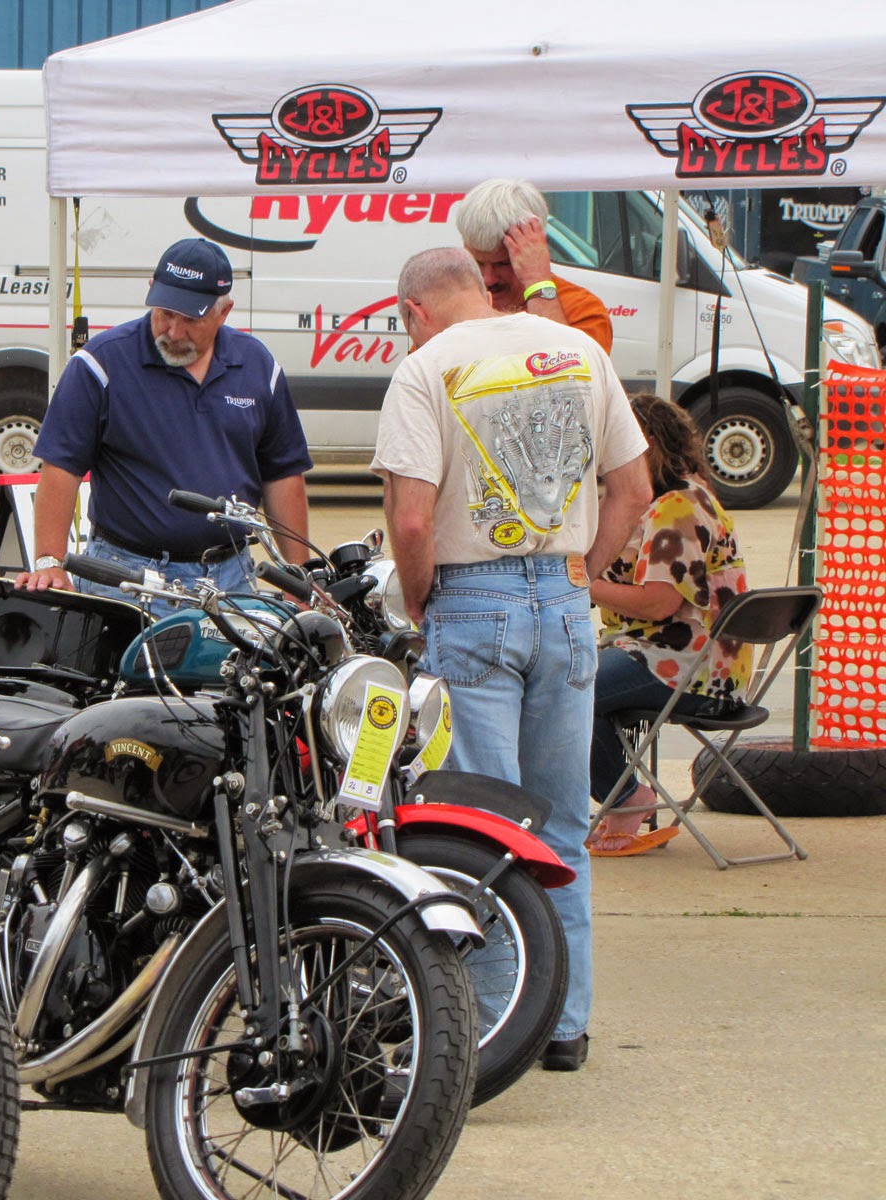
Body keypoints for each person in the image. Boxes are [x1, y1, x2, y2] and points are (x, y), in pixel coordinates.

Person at [371, 246, 652, 1073]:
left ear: (416, 310)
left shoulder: (425, 369)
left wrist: (422, 599)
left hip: (473, 597)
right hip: (565, 604)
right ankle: (565, 1026)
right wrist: (582, 573)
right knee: (563, 823)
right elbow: (633, 487)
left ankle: (495, 1027)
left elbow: (413, 523)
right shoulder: (578, 351)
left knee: (481, 826)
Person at [14, 237, 313, 618]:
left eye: (191, 319)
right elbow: (60, 469)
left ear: (224, 313)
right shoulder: (100, 366)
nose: (172, 331)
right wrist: (48, 563)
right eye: (165, 313)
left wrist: (298, 579)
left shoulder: (258, 367)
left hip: (231, 577)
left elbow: (282, 475)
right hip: (127, 579)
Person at [586, 393, 752, 856]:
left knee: (567, 686)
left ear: (648, 444)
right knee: (569, 672)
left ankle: (625, 797)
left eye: (613, 441)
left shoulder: (677, 507)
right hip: (680, 659)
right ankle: (621, 794)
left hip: (688, 668)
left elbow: (657, 604)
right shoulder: (678, 495)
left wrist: (579, 583)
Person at [455, 178, 615, 352]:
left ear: (536, 247)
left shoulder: (582, 310)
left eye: (503, 263)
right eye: (478, 263)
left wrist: (537, 282)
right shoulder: (449, 305)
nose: (489, 279)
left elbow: (565, 374)